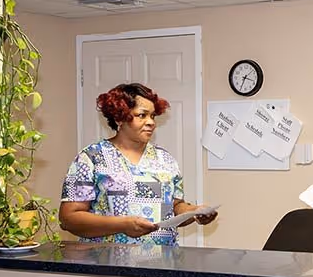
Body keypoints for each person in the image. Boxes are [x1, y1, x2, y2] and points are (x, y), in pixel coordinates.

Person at [59, 83, 217, 245]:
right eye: (142, 115)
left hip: (162, 262)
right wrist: (123, 225)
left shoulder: (165, 160)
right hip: (108, 262)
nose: (151, 122)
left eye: (153, 116)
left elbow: (175, 207)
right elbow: (69, 218)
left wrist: (194, 212)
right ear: (119, 118)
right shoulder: (92, 157)